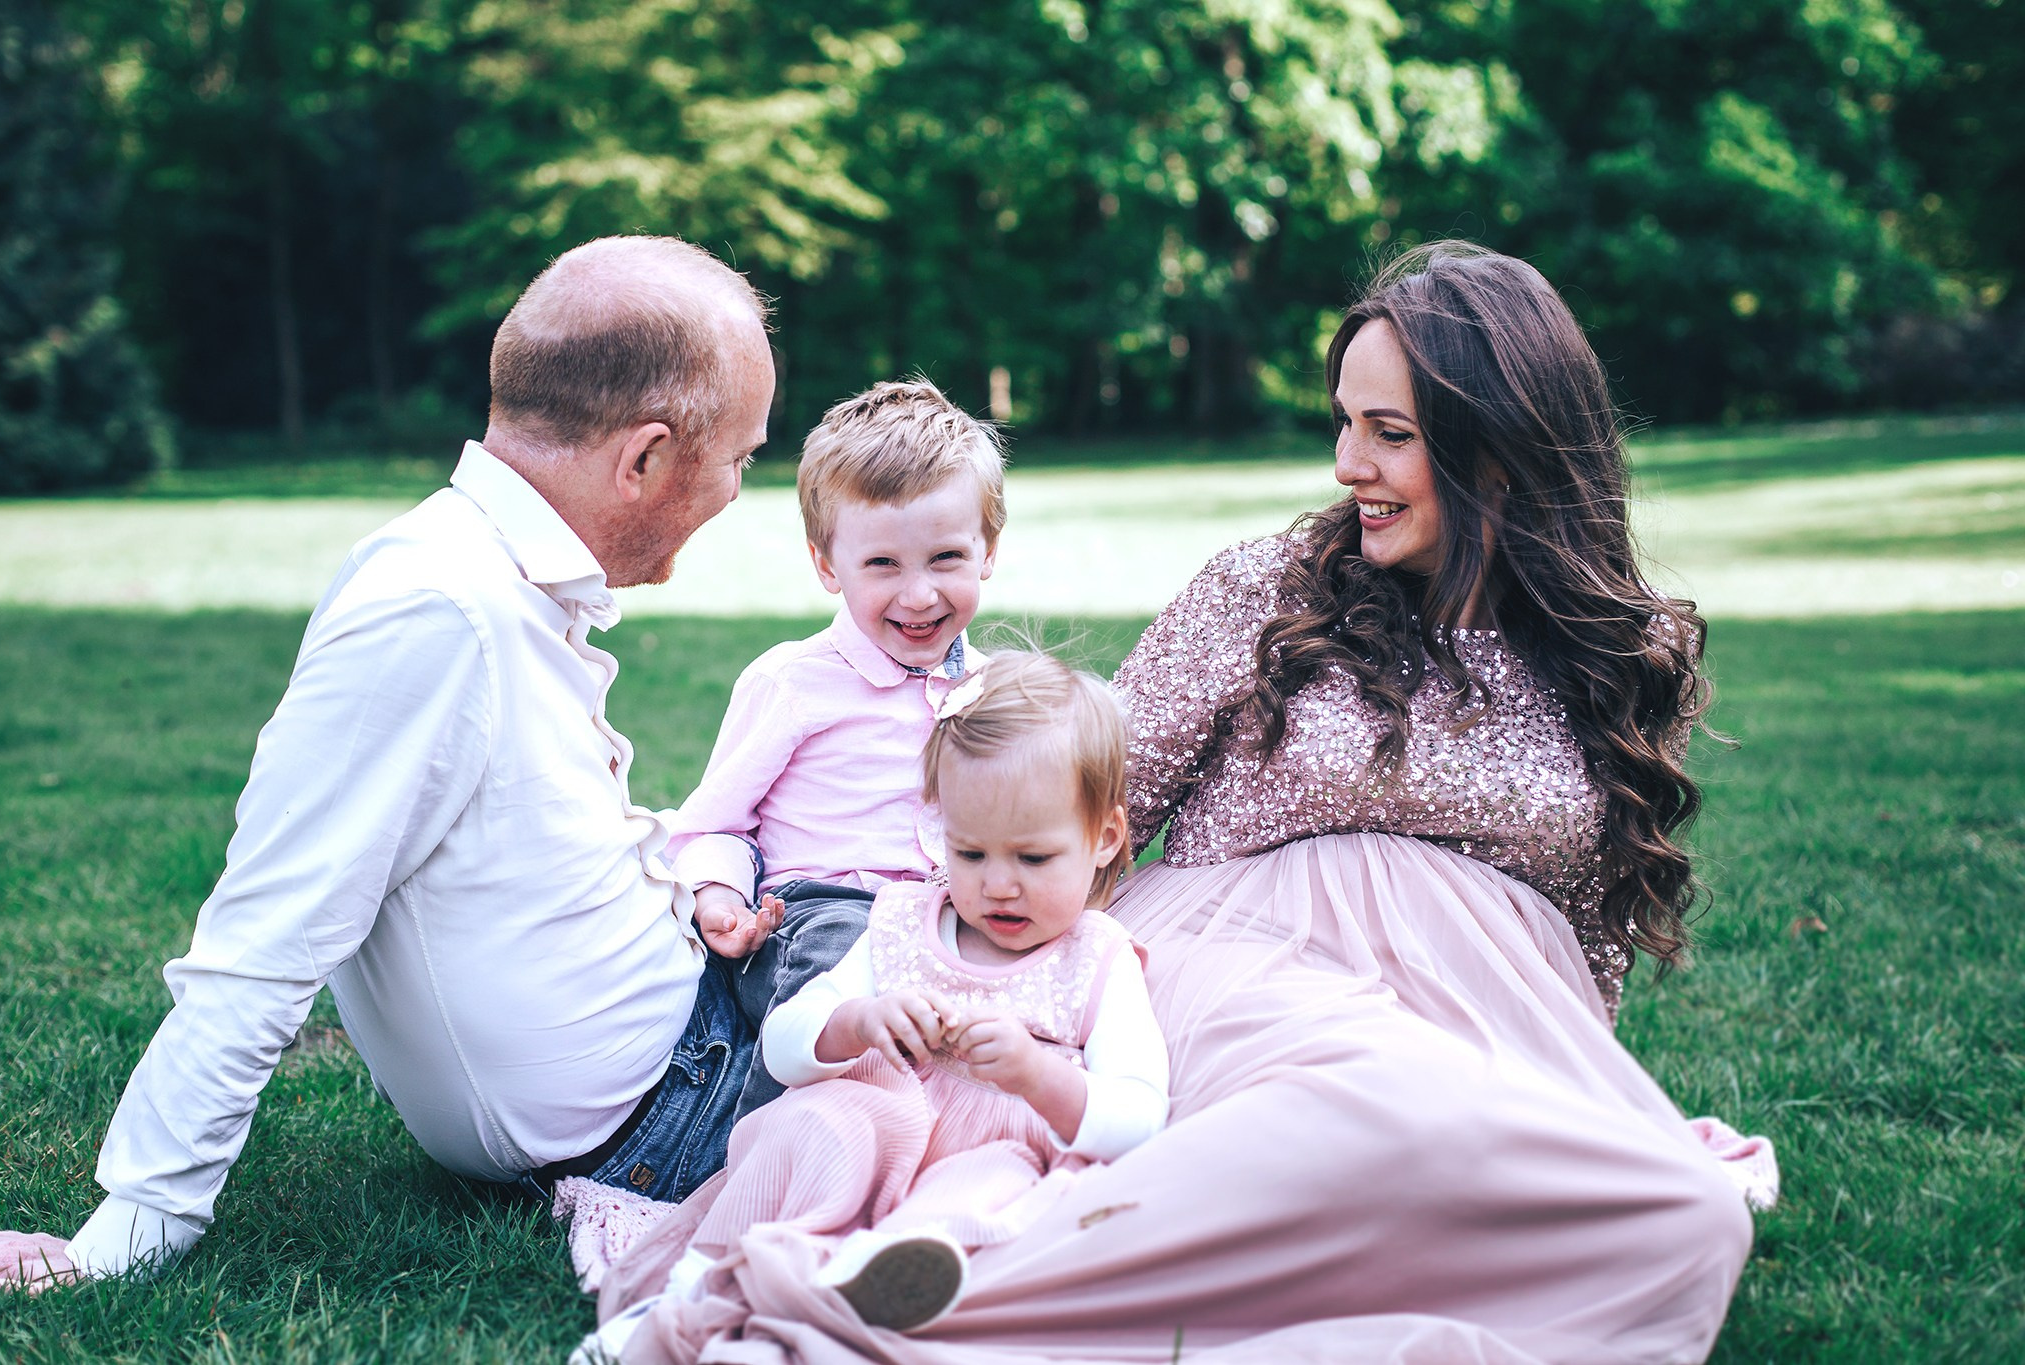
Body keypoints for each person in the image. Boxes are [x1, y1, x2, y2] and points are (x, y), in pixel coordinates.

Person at [588, 241, 1761, 1364]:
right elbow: (1084, 796)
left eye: (1388, 434)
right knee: (1359, 1118)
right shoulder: (1267, 589)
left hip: (1474, 1031)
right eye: (1343, 424)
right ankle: (899, 1301)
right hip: (1242, 971)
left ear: (1498, 449)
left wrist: (1570, 1077)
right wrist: (944, 947)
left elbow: (1588, 928)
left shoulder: (1619, 647)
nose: (1347, 464)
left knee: (1684, 1221)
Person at [0, 235, 783, 1290]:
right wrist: (132, 1230)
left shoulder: (489, 581)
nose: (737, 490)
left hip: (694, 1030)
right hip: (677, 1105)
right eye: (741, 457)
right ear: (642, 458)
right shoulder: (441, 607)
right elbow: (269, 926)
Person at [586, 653, 1168, 1362]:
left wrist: (1034, 1075)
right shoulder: (901, 924)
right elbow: (784, 1044)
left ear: (1103, 837)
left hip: (988, 1156)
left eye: (1034, 859)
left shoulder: (1098, 958)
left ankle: (850, 1294)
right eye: (971, 851)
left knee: (987, 1193)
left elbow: (1140, 1114)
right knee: (822, 1119)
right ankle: (696, 1294)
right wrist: (858, 1022)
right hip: (860, 1152)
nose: (999, 884)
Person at [665, 379, 1009, 1118]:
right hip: (828, 913)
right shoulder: (796, 684)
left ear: (988, 552)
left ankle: (970, 1134)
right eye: (882, 565)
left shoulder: (996, 692)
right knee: (844, 992)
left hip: (952, 911)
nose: (918, 596)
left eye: (945, 557)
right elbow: (712, 822)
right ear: (828, 565)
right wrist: (718, 892)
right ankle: (776, 1151)